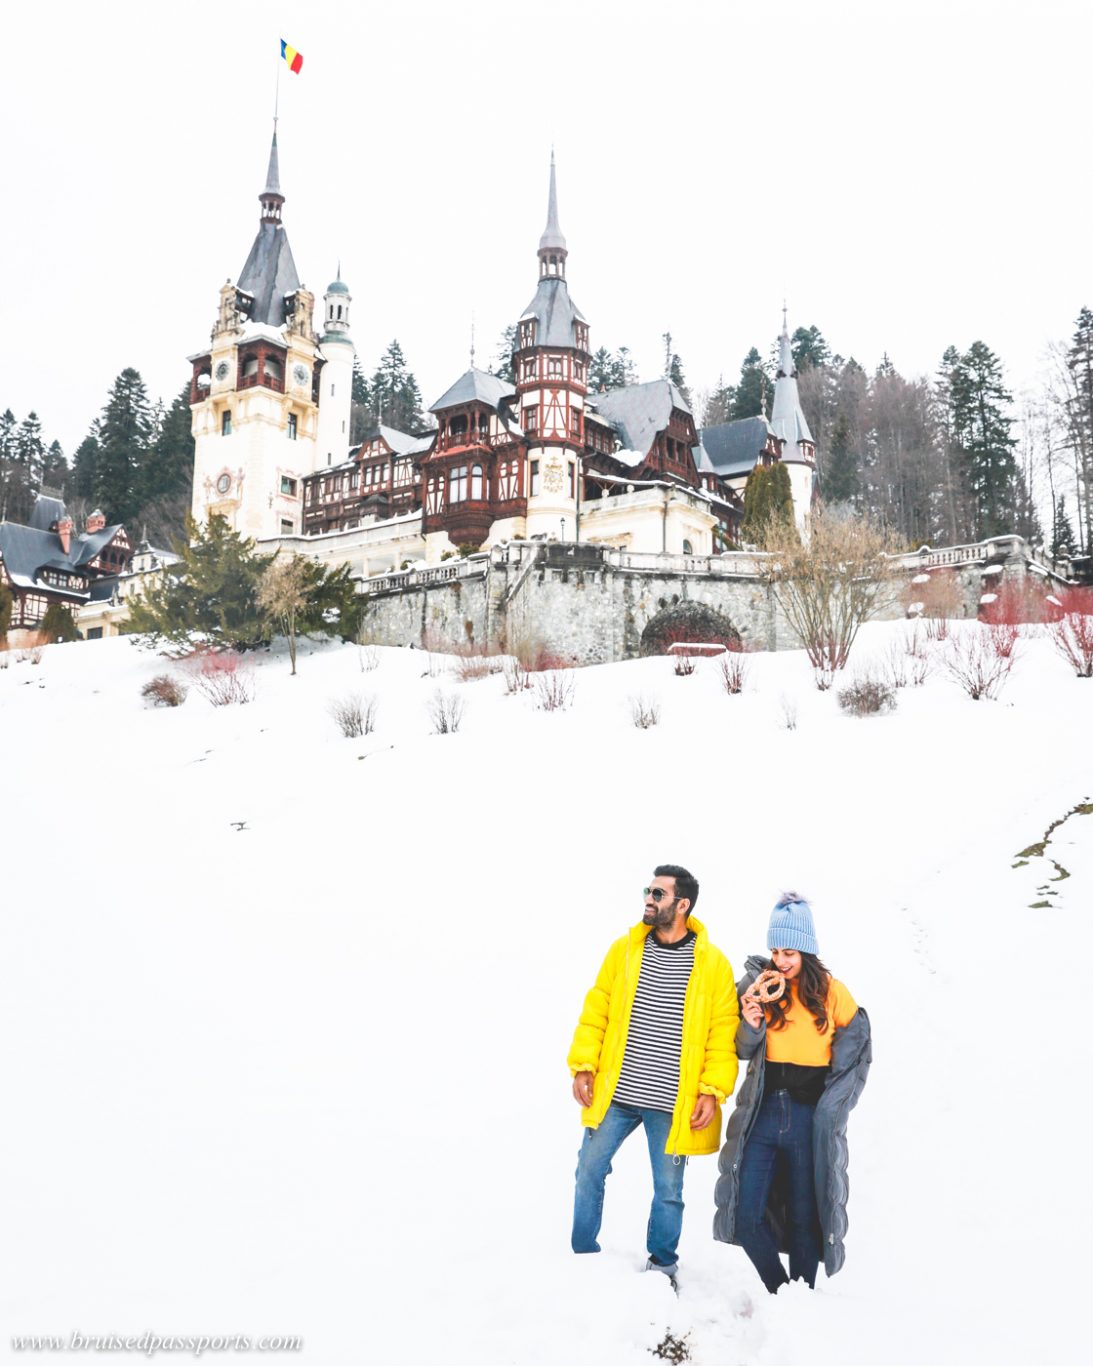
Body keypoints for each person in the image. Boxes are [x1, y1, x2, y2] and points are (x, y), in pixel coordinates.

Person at [567, 865, 739, 1283]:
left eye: (658, 894)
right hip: (617, 1093)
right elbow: (597, 1011)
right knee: (589, 1170)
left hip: (671, 1103)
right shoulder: (625, 951)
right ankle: (582, 1258)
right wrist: (584, 1065)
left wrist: (711, 1092)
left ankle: (663, 1265)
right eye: (648, 890)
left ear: (683, 904)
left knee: (668, 1192)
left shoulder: (712, 964)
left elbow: (722, 1033)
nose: (649, 898)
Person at [713, 893, 871, 1294]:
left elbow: (857, 1052)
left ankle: (802, 1305)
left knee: (805, 1221)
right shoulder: (755, 987)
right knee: (746, 1217)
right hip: (763, 1112)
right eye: (775, 951)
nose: (780, 960)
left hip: (807, 1116)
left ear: (806, 950)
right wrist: (750, 1024)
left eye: (789, 951)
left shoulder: (833, 993)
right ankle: (782, 1293)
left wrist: (832, 1109)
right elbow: (740, 1049)